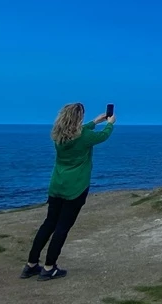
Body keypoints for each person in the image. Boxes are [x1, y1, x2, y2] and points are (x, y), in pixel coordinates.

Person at [21, 103, 114, 281]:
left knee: (49, 223)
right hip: (75, 187)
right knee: (63, 227)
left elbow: (79, 132)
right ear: (78, 118)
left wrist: (95, 121)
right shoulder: (84, 137)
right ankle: (49, 267)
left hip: (57, 185)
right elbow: (102, 136)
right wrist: (110, 123)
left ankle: (31, 264)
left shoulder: (58, 136)